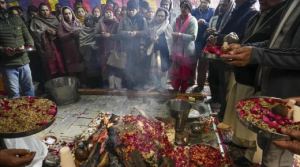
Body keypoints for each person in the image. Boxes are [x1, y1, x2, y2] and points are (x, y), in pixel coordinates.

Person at [220, 0, 300, 166]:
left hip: (289, 93)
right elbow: (275, 44)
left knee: (276, 155)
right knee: (266, 143)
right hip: (271, 86)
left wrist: (257, 55)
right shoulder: (289, 5)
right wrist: (246, 48)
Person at [207, 0, 258, 120]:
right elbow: (228, 30)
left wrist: (219, 38)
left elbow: (241, 35)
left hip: (235, 57)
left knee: (227, 89)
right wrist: (217, 36)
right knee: (219, 82)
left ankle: (224, 116)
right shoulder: (238, 10)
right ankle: (221, 112)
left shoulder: (251, 12)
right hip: (225, 53)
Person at [0, 0, 35, 99]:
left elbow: (28, 36)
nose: (0, 5)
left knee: (29, 89)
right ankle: (18, 113)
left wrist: (30, 45)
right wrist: (3, 49)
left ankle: (32, 113)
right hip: (7, 64)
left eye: (2, 2)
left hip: (23, 61)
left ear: (6, 4)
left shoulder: (16, 19)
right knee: (14, 93)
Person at [205, 0, 233, 106]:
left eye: (224, 6)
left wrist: (218, 36)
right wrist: (210, 34)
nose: (221, 7)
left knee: (221, 79)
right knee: (212, 77)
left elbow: (233, 36)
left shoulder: (230, 18)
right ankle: (214, 97)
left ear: (230, 7)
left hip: (224, 53)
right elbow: (206, 35)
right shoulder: (215, 18)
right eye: (220, 5)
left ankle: (221, 102)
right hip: (213, 52)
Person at [118, 0, 148, 90]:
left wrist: (137, 33)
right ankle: (128, 85)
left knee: (138, 65)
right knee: (127, 66)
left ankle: (137, 85)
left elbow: (146, 32)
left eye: (133, 10)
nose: (131, 12)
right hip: (126, 47)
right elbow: (119, 32)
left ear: (137, 9)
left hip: (139, 47)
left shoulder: (142, 19)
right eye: (130, 10)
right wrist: (128, 33)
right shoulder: (124, 19)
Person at [30, 3, 66, 80]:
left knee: (60, 62)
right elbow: (34, 33)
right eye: (43, 10)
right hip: (45, 47)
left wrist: (56, 32)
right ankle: (51, 83)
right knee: (49, 66)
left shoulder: (54, 18)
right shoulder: (35, 20)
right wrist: (45, 31)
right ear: (39, 11)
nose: (45, 12)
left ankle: (62, 81)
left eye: (47, 10)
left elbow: (60, 28)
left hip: (56, 45)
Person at [169, 0, 198, 93]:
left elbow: (193, 36)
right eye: (182, 7)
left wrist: (180, 35)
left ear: (189, 9)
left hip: (186, 51)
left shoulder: (193, 20)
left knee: (185, 71)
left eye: (186, 8)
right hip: (176, 49)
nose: (183, 9)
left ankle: (183, 89)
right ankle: (175, 87)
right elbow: (171, 31)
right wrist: (173, 34)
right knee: (176, 70)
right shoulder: (176, 19)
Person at [95, 6, 122, 90]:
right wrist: (102, 35)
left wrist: (110, 35)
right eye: (106, 12)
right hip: (104, 49)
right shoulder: (100, 23)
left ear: (113, 13)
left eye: (110, 12)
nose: (108, 14)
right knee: (107, 67)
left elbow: (120, 36)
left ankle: (118, 86)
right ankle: (110, 86)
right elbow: (94, 34)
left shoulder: (117, 22)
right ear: (104, 14)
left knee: (117, 67)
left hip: (116, 49)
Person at [58, 6, 86, 87]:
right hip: (68, 50)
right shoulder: (61, 25)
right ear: (63, 15)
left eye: (69, 13)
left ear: (72, 14)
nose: (68, 15)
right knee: (72, 70)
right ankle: (74, 86)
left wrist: (78, 33)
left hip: (78, 48)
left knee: (81, 68)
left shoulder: (77, 22)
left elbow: (82, 33)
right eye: (66, 14)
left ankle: (84, 85)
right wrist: (71, 34)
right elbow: (60, 36)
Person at [191, 0, 214, 91]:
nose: (203, 4)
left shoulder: (212, 11)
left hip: (205, 41)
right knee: (192, 62)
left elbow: (213, 25)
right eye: (202, 2)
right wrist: (196, 21)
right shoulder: (194, 11)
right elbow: (190, 21)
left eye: (206, 2)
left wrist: (205, 23)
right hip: (194, 40)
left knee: (202, 64)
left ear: (209, 3)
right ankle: (191, 80)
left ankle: (200, 85)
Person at [147, 8, 172, 92]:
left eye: (162, 16)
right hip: (154, 51)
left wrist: (159, 39)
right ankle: (157, 86)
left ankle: (162, 87)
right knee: (154, 70)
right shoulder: (152, 25)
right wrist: (152, 39)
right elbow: (148, 37)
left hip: (164, 53)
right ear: (156, 16)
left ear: (165, 17)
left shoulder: (168, 27)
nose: (160, 18)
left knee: (163, 70)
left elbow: (170, 40)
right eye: (158, 16)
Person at [79, 14, 102, 88]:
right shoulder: (82, 30)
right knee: (89, 69)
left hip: (97, 52)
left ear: (93, 20)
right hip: (88, 53)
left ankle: (100, 85)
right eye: (86, 20)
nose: (88, 21)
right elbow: (82, 42)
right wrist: (89, 46)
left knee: (98, 67)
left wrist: (96, 46)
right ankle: (92, 85)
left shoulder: (97, 28)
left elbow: (100, 39)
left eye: (90, 20)